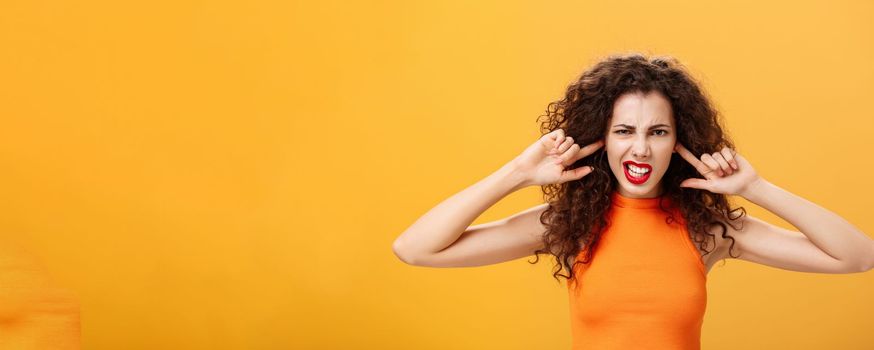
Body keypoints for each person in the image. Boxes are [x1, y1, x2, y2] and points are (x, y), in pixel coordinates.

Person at [391, 53, 874, 349]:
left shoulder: (708, 230)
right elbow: (416, 249)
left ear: (678, 143)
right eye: (624, 131)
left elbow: (858, 257)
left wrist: (755, 189)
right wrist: (516, 174)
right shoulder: (567, 223)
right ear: (601, 140)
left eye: (657, 132)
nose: (640, 148)